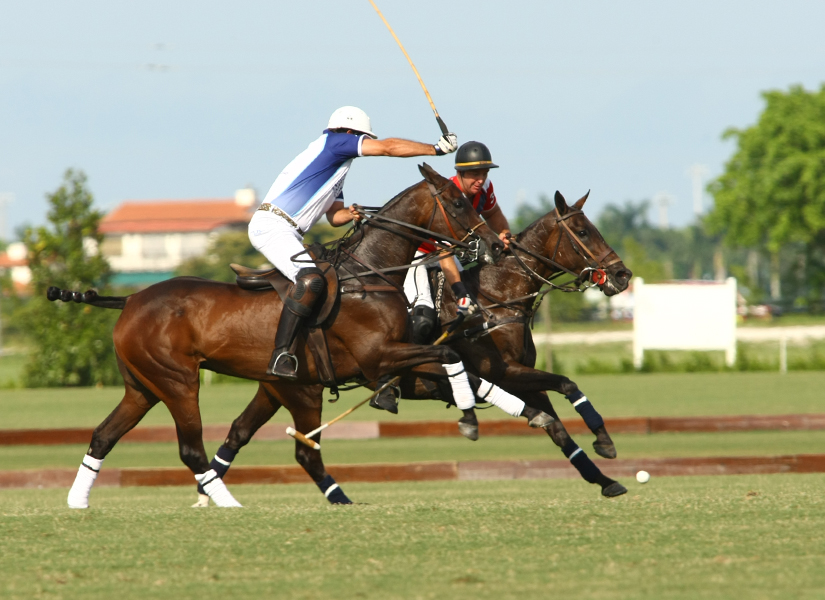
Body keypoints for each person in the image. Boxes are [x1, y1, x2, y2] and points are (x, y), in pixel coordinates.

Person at [249, 106, 458, 378]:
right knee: (311, 279)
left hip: (288, 231)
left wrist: (351, 214)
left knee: (331, 278)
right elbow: (388, 147)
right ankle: (281, 354)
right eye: (362, 137)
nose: (365, 143)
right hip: (272, 226)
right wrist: (435, 149)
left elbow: (334, 217)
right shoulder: (336, 142)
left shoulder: (337, 169)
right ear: (350, 133)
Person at [403, 141, 512, 343]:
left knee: (466, 315)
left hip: (448, 255)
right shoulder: (447, 197)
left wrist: (504, 231)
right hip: (421, 255)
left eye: (484, 174)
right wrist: (460, 292)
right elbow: (445, 253)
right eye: (475, 174)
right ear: (460, 173)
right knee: (423, 321)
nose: (480, 180)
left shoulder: (485, 188)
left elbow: (493, 212)